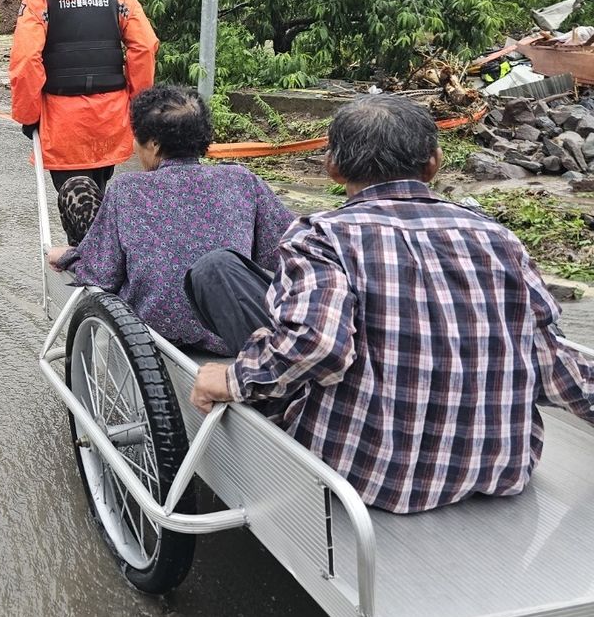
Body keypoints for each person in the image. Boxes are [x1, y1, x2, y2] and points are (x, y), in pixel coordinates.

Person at [189, 94, 594, 513]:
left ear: (333, 167)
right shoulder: (498, 239)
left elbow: (319, 344)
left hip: (361, 474)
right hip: (497, 469)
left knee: (219, 270)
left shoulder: (322, 236)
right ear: (434, 163)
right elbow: (550, 358)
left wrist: (234, 378)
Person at [47, 85, 294, 355]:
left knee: (80, 195)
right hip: (228, 333)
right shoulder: (241, 180)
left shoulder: (127, 189)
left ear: (153, 144)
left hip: (149, 330)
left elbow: (102, 274)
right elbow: (286, 251)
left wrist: (69, 256)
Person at [9, 0, 159, 192]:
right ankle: (96, 234)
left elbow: (26, 61)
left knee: (75, 202)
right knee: (98, 195)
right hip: (109, 121)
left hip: (62, 123)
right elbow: (144, 47)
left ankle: (84, 236)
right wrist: (137, 105)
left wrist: (29, 116)